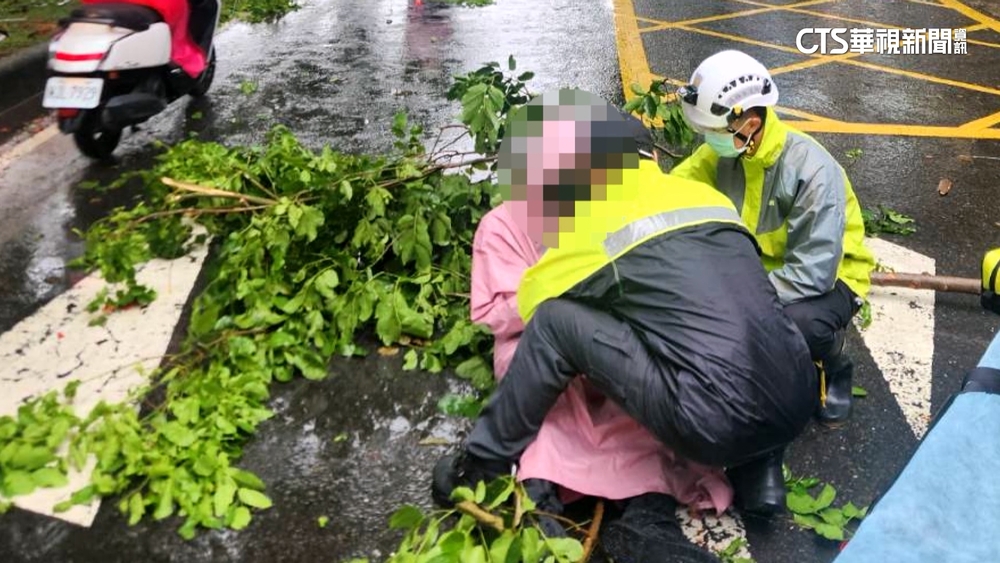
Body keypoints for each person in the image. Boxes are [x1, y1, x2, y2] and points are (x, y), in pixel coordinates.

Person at [432, 87, 818, 535]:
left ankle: (482, 463)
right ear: (652, 158)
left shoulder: (596, 216)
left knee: (556, 323)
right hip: (798, 393)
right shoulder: (705, 197)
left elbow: (537, 309)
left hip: (709, 422)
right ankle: (758, 474)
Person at [465, 110, 733, 554]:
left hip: (603, 346)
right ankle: (542, 505)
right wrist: (557, 298)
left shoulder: (601, 207)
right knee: (542, 415)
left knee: (636, 412)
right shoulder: (502, 224)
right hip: (537, 355)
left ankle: (646, 517)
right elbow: (496, 314)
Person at [671, 50, 877, 431]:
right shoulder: (725, 152)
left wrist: (736, 301)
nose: (707, 141)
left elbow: (815, 272)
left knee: (797, 326)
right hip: (757, 272)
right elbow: (672, 195)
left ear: (749, 123)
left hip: (830, 277)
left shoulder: (811, 170)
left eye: (714, 133)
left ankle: (834, 364)